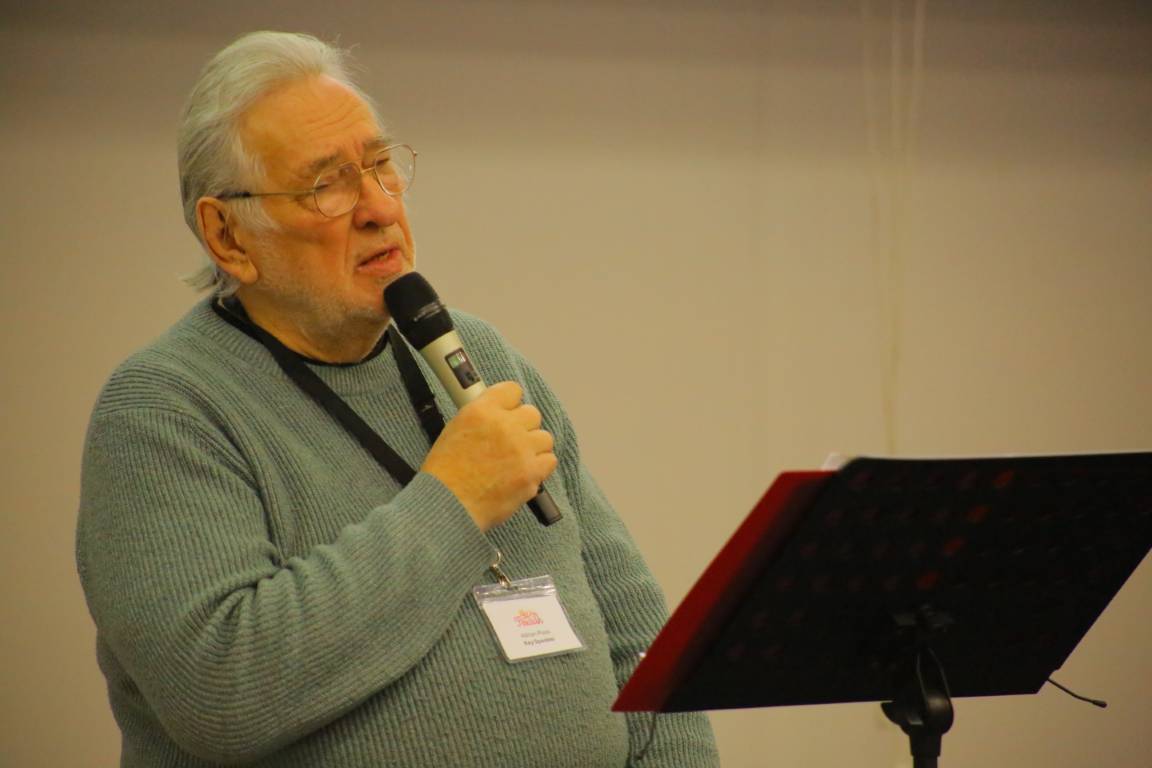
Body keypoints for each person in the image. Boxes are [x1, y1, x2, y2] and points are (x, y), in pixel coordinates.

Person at [76, 31, 720, 767]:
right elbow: (220, 692)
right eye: (328, 184)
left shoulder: (478, 355)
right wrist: (455, 501)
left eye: (381, 165)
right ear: (228, 237)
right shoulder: (164, 410)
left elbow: (636, 634)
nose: (380, 207)